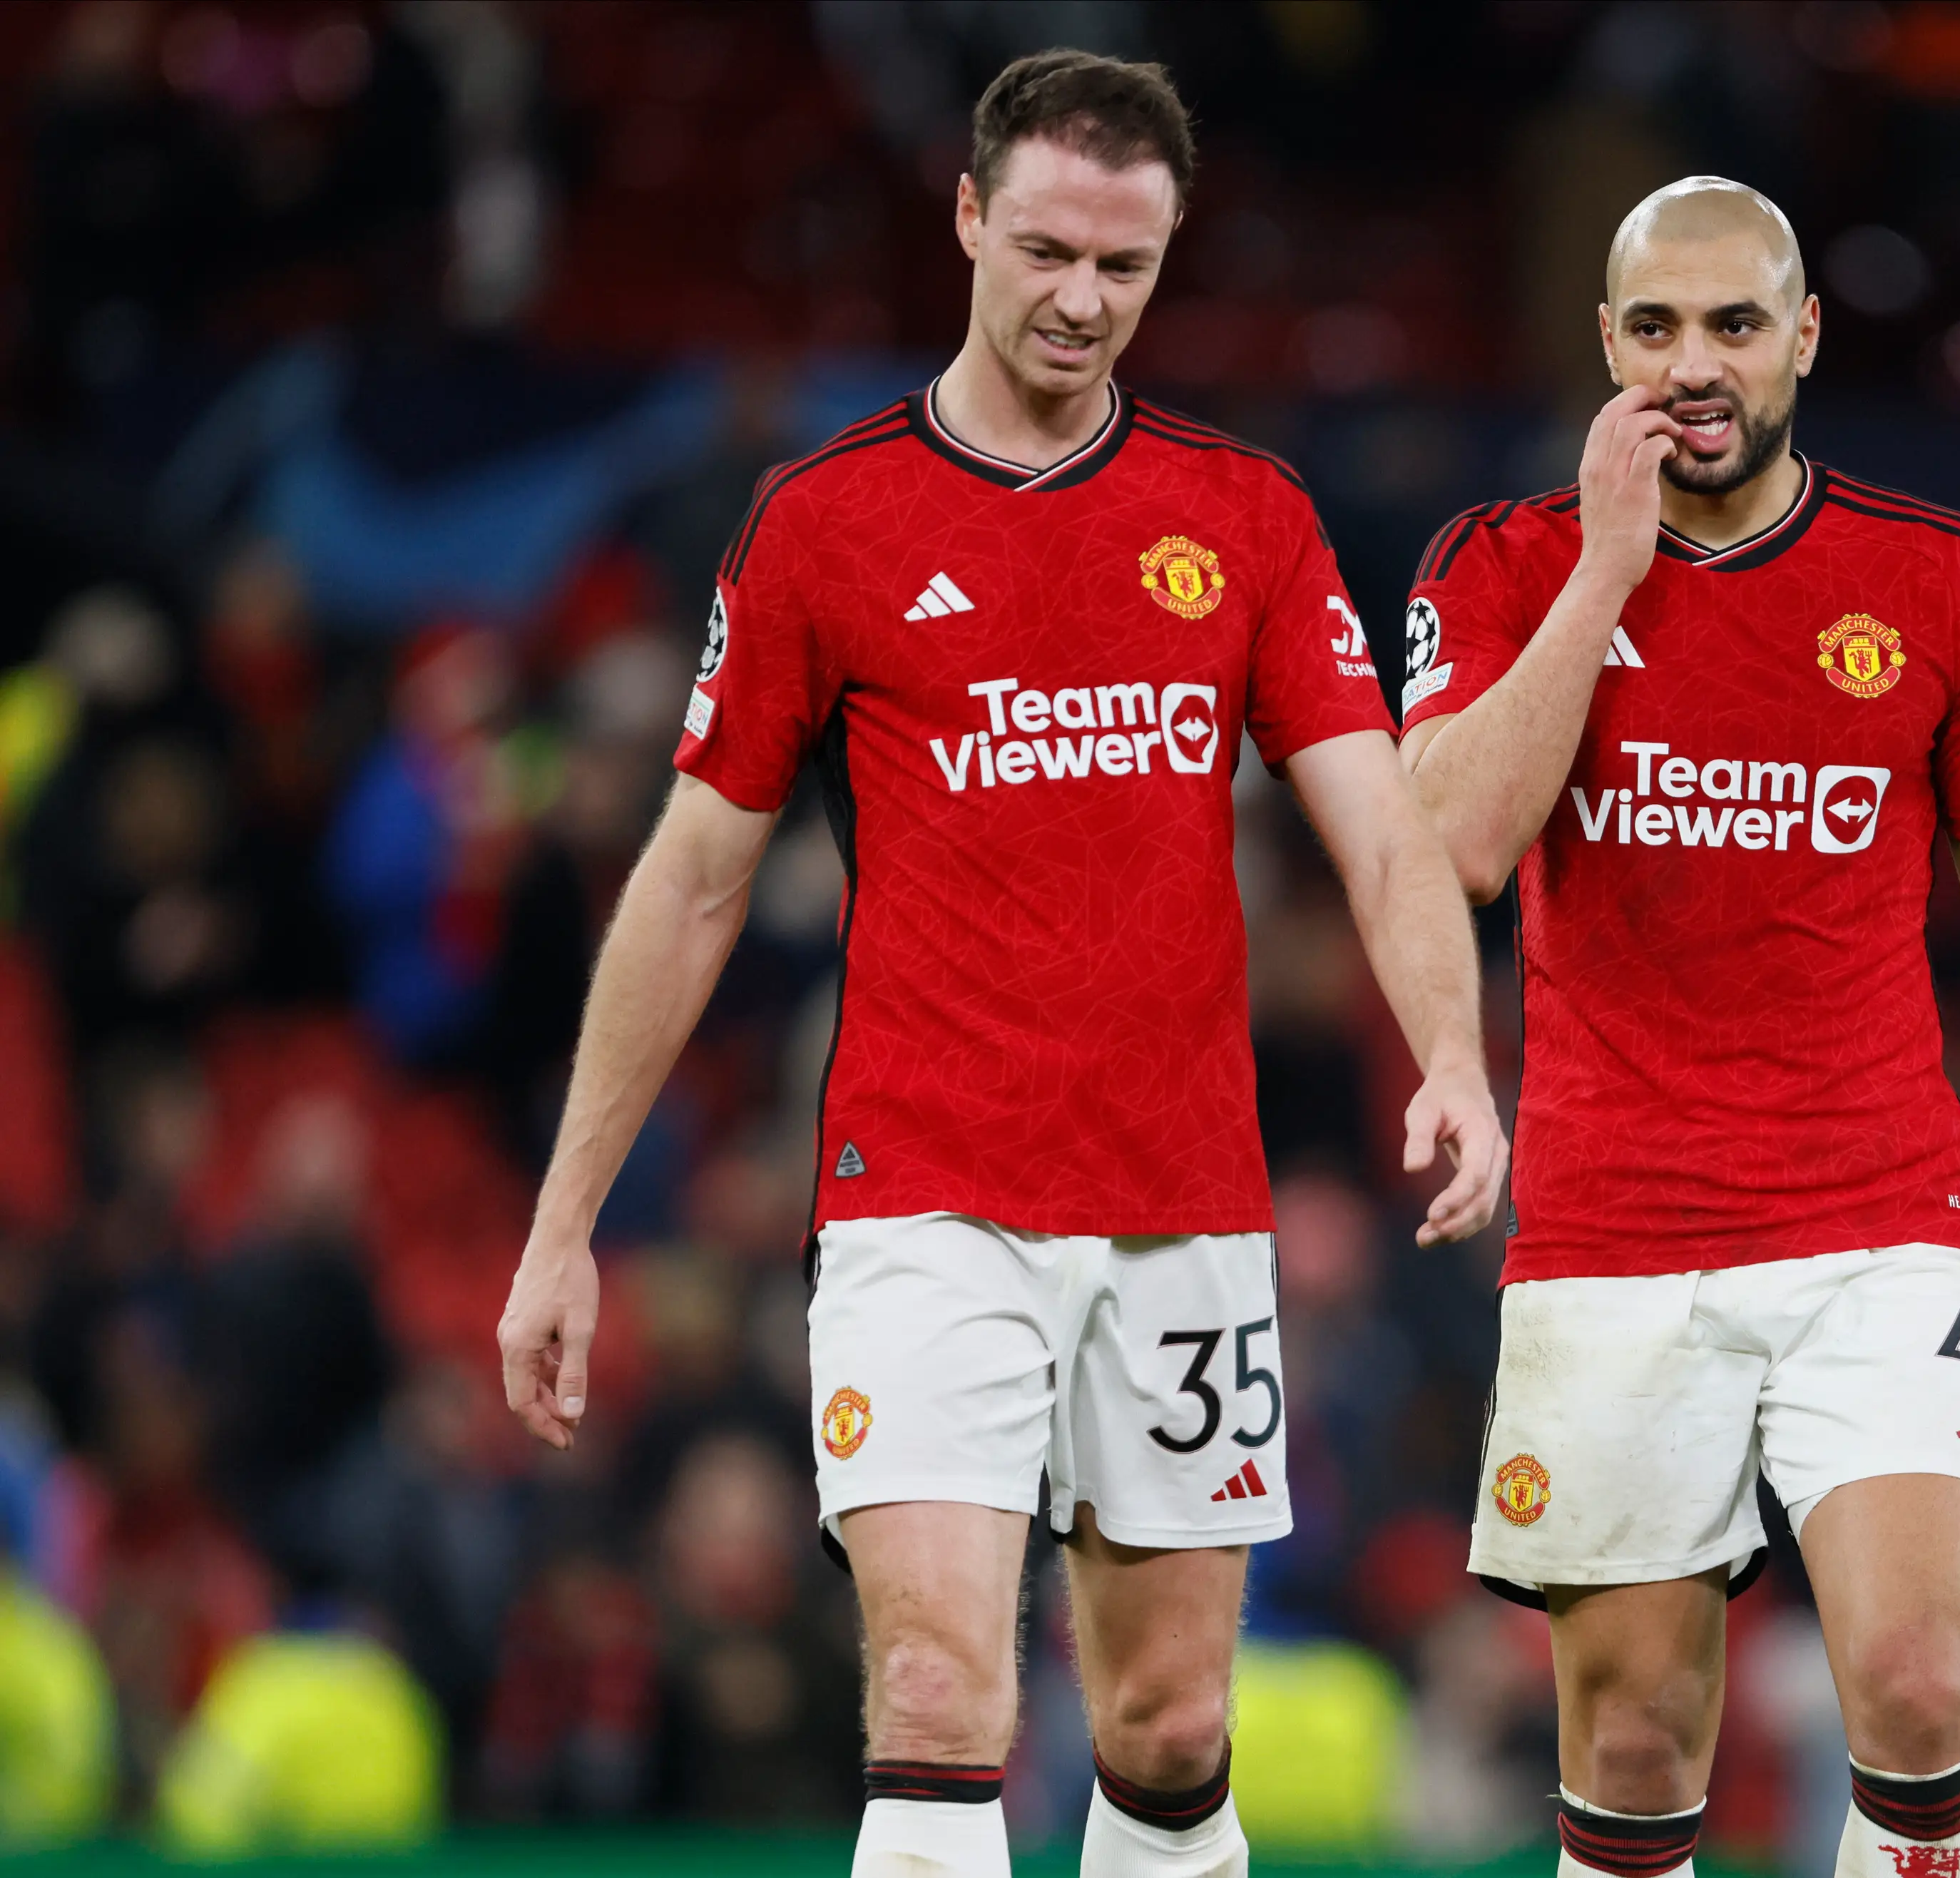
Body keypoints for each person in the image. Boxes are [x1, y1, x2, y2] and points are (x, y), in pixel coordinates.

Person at [496, 50, 1508, 1878]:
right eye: (1043, 249)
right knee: (947, 1696)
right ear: (966, 217)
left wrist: (1451, 1045)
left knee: (1172, 1726)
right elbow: (693, 879)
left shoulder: (1247, 517)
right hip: (926, 1193)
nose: (1078, 300)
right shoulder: (827, 523)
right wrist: (567, 1219)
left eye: (1124, 268)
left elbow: (1379, 826)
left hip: (1183, 1192)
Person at [1398, 177, 1960, 1878]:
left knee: (1923, 1683)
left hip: (1878, 1215)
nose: (1694, 364)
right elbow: (1452, 846)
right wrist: (1611, 576)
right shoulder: (1501, 560)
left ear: (1802, 334)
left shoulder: (1936, 581)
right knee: (1638, 1736)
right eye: (1655, 328)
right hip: (1615, 1222)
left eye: (1732, 324)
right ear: (1606, 346)